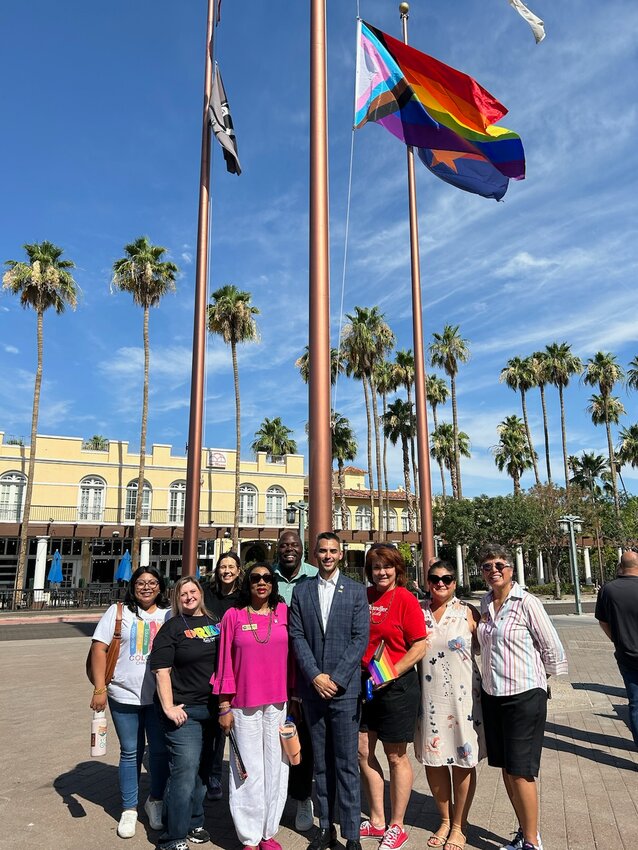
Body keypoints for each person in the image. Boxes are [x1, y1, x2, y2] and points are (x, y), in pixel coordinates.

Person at [476, 545, 567, 850]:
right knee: (505, 767)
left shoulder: (526, 602)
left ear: (512, 569)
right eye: (487, 566)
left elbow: (551, 648)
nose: (494, 571)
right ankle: (524, 831)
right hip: (493, 695)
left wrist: (538, 682)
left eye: (500, 565)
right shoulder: (485, 603)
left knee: (521, 770)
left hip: (524, 696)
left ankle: (531, 841)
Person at [289, 532, 369, 850]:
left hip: (344, 690)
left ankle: (351, 834)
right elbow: (297, 636)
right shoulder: (302, 591)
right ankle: (325, 829)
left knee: (347, 763)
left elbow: (359, 638)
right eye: (322, 550)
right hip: (313, 692)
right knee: (320, 763)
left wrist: (335, 678)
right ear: (315, 553)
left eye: (333, 550)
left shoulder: (355, 591)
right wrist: (314, 676)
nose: (327, 555)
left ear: (340, 553)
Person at [89, 566, 171, 839]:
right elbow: (98, 649)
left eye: (152, 582)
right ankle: (129, 809)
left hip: (159, 699)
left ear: (160, 587)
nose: (146, 587)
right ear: (133, 586)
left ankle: (155, 801)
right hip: (123, 695)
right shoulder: (118, 612)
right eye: (141, 582)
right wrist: (99, 688)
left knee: (159, 752)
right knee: (130, 751)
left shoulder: (169, 614)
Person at [213, 562, 290, 850]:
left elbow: (292, 657)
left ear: (273, 583)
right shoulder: (233, 615)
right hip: (242, 704)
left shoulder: (283, 612)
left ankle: (268, 832)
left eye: (267, 578)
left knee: (276, 767)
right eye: (256, 578)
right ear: (248, 583)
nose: (261, 583)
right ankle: (249, 836)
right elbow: (223, 661)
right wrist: (223, 704)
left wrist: (294, 697)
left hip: (278, 703)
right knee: (246, 769)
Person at [358, 544, 427, 850]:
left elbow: (419, 645)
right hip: (365, 684)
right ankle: (376, 820)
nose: (381, 572)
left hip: (396, 687)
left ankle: (397, 825)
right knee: (362, 751)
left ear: (397, 569)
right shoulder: (364, 596)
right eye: (375, 567)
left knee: (396, 756)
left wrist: (390, 673)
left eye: (387, 567)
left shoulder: (405, 599)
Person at [414, 561, 485, 850]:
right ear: (427, 581)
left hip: (464, 699)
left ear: (455, 582)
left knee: (462, 760)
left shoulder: (468, 612)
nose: (440, 584)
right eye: (434, 579)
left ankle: (459, 824)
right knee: (434, 759)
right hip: (430, 699)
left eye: (447, 579)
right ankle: (444, 819)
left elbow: (488, 647)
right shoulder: (419, 613)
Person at [150, 576, 219, 850]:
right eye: (182, 593)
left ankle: (195, 821)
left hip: (213, 709)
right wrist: (168, 707)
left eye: (192, 591)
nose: (189, 597)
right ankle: (173, 836)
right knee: (185, 770)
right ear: (176, 599)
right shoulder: (172, 628)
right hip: (185, 711)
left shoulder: (216, 624)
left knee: (204, 770)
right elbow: (161, 670)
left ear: (200, 593)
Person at [273, 530, 318, 832]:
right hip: (271, 664)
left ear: (302, 550)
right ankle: (273, 800)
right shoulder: (265, 576)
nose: (290, 549)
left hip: (304, 665)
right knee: (272, 737)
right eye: (284, 545)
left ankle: (303, 798)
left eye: (295, 545)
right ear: (278, 550)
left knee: (302, 734)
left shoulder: (314, 576)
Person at [203, 551, 243, 801]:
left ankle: (237, 776)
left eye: (231, 566)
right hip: (208, 662)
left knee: (235, 724)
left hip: (236, 664)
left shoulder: (243, 597)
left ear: (239, 570)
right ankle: (212, 775)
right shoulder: (208, 593)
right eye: (223, 566)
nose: (227, 570)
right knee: (214, 727)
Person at [595, 549, 638, 747]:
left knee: (635, 703)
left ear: (622, 566)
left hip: (626, 652)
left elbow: (602, 621)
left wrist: (617, 639)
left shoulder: (608, 589)